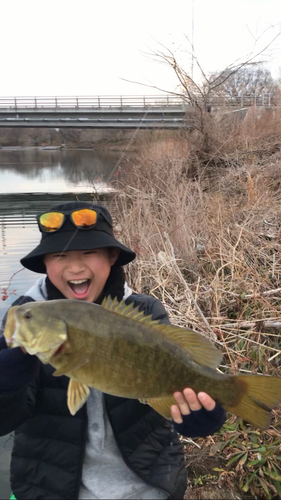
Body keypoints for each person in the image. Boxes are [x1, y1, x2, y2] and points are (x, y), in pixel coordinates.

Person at [0, 201, 226, 500]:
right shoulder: (23, 321)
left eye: (89, 253)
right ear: (45, 264)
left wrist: (200, 414)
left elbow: (171, 388)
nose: (75, 267)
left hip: (147, 487)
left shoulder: (145, 312)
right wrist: (5, 386)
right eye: (60, 255)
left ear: (112, 256)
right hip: (47, 488)